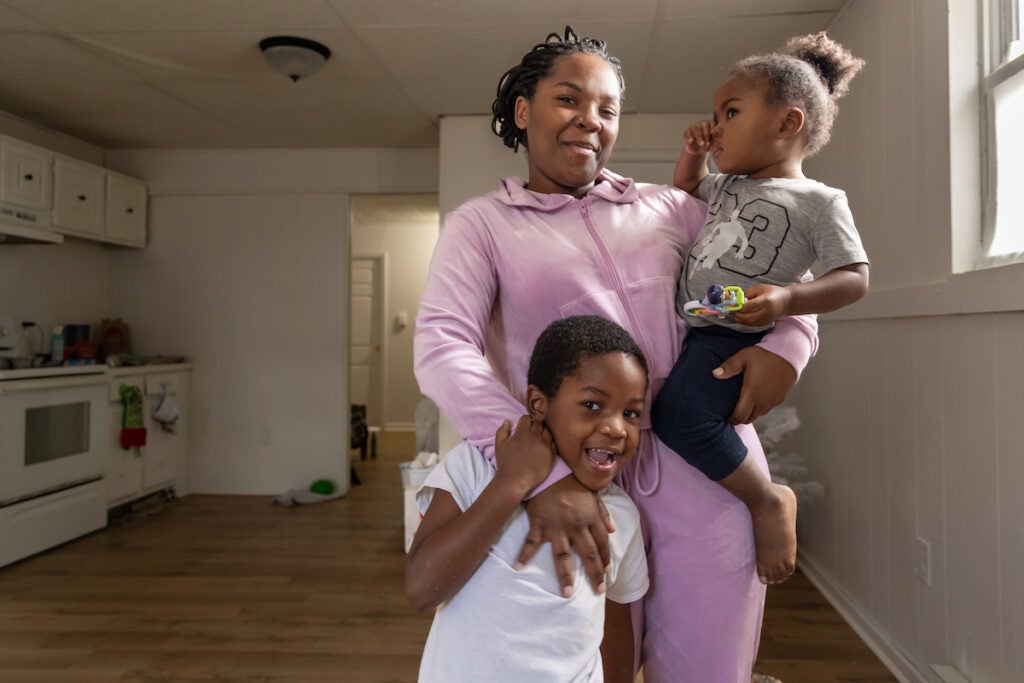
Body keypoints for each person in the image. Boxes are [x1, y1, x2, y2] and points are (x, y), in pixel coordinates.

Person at [414, 26, 818, 682]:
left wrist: (788, 347)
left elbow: (776, 274)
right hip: (575, 477)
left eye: (607, 110)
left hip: (707, 466)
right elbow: (442, 344)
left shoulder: (669, 209)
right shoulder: (484, 226)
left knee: (710, 670)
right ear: (524, 110)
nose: (589, 123)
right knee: (586, 664)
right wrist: (542, 476)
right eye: (569, 100)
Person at [651, 32, 870, 585]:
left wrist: (788, 298)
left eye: (731, 112)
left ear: (787, 123)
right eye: (715, 114)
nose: (718, 125)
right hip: (694, 327)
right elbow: (686, 185)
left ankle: (767, 499)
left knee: (679, 416)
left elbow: (855, 278)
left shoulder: (820, 201)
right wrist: (694, 151)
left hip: (737, 337)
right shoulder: (726, 186)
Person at [407, 315, 650, 683]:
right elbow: (421, 590)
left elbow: (615, 627)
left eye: (631, 413)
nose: (617, 428)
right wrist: (512, 484)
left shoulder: (620, 516)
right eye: (592, 405)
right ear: (537, 404)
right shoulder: (474, 468)